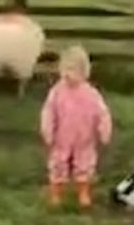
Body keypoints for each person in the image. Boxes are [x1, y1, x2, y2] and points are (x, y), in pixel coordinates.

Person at [39, 45, 113, 208]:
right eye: (65, 69)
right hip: (61, 137)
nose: (67, 74)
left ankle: (83, 191)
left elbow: (102, 113)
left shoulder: (90, 94)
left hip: (84, 138)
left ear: (83, 72)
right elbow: (48, 111)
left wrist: (104, 131)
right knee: (58, 163)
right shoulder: (57, 92)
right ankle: (56, 192)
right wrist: (48, 131)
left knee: (85, 163)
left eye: (73, 70)